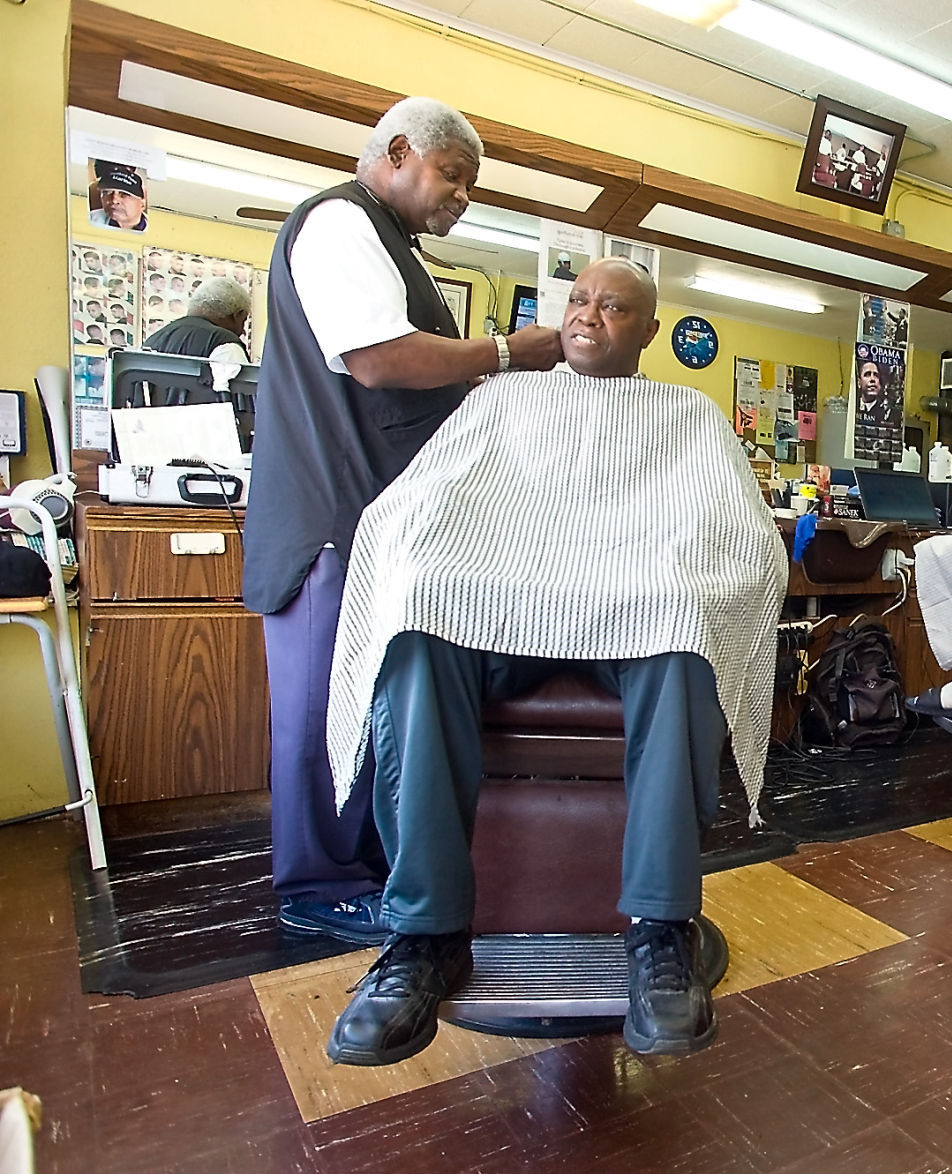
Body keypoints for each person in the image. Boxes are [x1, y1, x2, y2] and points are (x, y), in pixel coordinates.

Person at [322, 258, 785, 1066]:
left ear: (647, 330)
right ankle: (425, 937)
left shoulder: (688, 415)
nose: (586, 315)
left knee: (683, 635)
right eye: (577, 300)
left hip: (630, 625)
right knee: (418, 630)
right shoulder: (501, 397)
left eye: (613, 307)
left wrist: (674, 575)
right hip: (497, 623)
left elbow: (742, 543)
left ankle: (660, 930)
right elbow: (424, 504)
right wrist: (427, 566)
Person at [242, 96, 563, 946]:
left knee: (371, 705)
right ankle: (317, 884)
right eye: (453, 177)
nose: (462, 197)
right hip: (329, 518)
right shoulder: (340, 222)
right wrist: (504, 352)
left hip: (379, 521)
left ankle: (370, 866)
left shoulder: (391, 246)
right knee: (321, 708)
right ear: (396, 152)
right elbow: (379, 359)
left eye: (470, 186)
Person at [144, 277, 253, 393]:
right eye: (243, 321)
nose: (242, 332)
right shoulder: (226, 345)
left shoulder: (153, 340)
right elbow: (244, 403)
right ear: (238, 315)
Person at [87, 163, 148, 232]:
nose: (114, 200)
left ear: (142, 204)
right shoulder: (89, 220)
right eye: (107, 192)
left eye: (124, 194)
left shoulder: (158, 231)